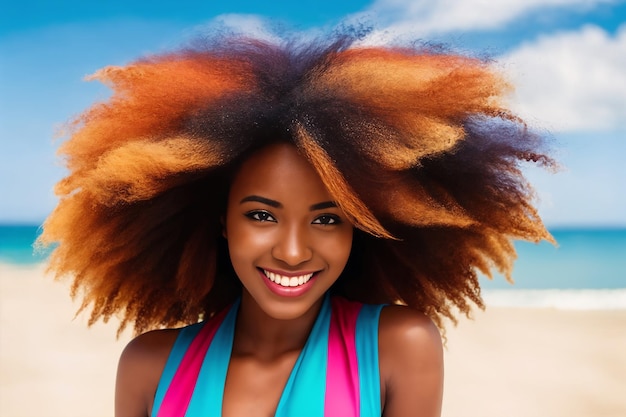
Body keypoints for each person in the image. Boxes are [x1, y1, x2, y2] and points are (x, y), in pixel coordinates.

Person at [38, 30, 554, 417]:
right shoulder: (149, 366)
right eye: (262, 215)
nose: (291, 251)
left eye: (328, 219)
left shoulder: (399, 346)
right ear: (221, 221)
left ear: (361, 226)